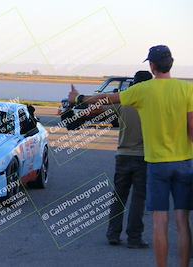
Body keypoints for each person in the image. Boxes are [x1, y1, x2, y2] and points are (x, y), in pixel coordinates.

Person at [68, 45, 193, 267]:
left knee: (156, 218)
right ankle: (167, 256)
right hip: (180, 162)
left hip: (148, 162)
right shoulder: (187, 90)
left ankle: (122, 239)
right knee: (181, 220)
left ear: (153, 66)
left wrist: (78, 99)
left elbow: (107, 100)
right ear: (171, 63)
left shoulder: (140, 92)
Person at [106, 71, 153, 249]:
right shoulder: (152, 103)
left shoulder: (124, 101)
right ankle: (134, 238)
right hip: (144, 156)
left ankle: (113, 234)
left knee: (118, 196)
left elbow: (104, 109)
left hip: (123, 155)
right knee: (138, 199)